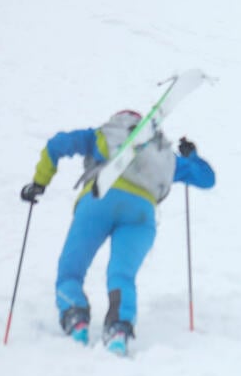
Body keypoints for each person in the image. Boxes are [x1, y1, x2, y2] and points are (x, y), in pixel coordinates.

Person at [19, 110, 216, 355]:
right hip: (142, 212)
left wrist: (39, 183)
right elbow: (207, 179)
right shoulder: (162, 154)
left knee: (71, 270)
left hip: (99, 200)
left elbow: (56, 145)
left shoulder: (101, 135)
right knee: (122, 275)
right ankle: (118, 331)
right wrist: (192, 156)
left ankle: (75, 317)